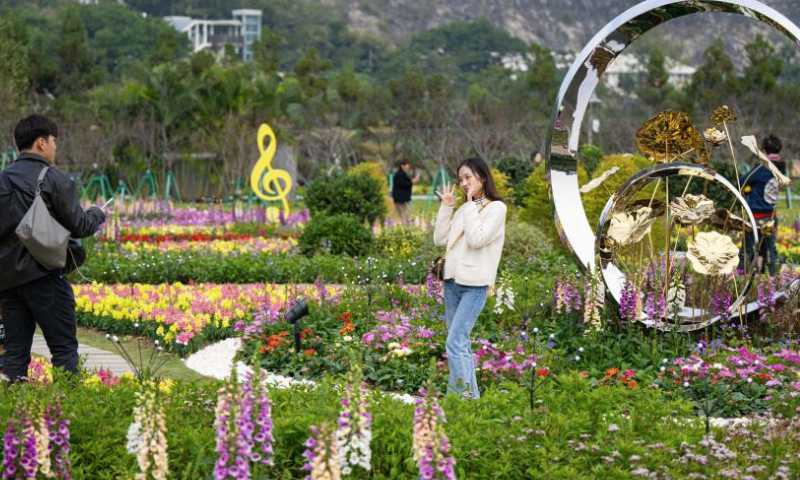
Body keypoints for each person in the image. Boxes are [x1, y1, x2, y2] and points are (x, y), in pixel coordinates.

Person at [0, 115, 106, 382]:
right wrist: (97, 213)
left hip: (7, 282)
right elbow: (80, 225)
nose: (55, 147)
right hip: (44, 276)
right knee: (63, 348)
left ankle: (14, 402)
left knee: (14, 354)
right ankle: (68, 402)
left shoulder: (2, 179)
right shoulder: (52, 178)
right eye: (54, 141)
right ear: (41, 142)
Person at [434, 157, 507, 399]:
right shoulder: (466, 209)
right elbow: (440, 239)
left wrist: (469, 206)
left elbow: (477, 239)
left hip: (474, 285)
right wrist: (447, 207)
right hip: (451, 282)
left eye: (468, 177)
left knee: (455, 342)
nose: (464, 183)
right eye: (461, 179)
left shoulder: (496, 208)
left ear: (482, 177)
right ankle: (470, 399)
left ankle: (460, 401)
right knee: (460, 343)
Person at [738, 134, 785, 276]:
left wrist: (748, 190)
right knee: (769, 251)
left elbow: (741, 182)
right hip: (771, 217)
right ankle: (772, 279)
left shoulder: (761, 168)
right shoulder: (780, 168)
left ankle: (741, 277)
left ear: (763, 151)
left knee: (747, 250)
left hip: (755, 217)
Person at [391, 159, 419, 225]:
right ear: (402, 166)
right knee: (402, 214)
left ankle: (399, 226)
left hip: (401, 198)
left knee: (400, 214)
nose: (408, 168)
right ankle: (403, 227)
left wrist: (412, 181)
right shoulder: (399, 174)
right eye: (407, 166)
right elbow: (403, 184)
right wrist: (412, 181)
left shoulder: (402, 174)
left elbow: (406, 182)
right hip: (400, 198)